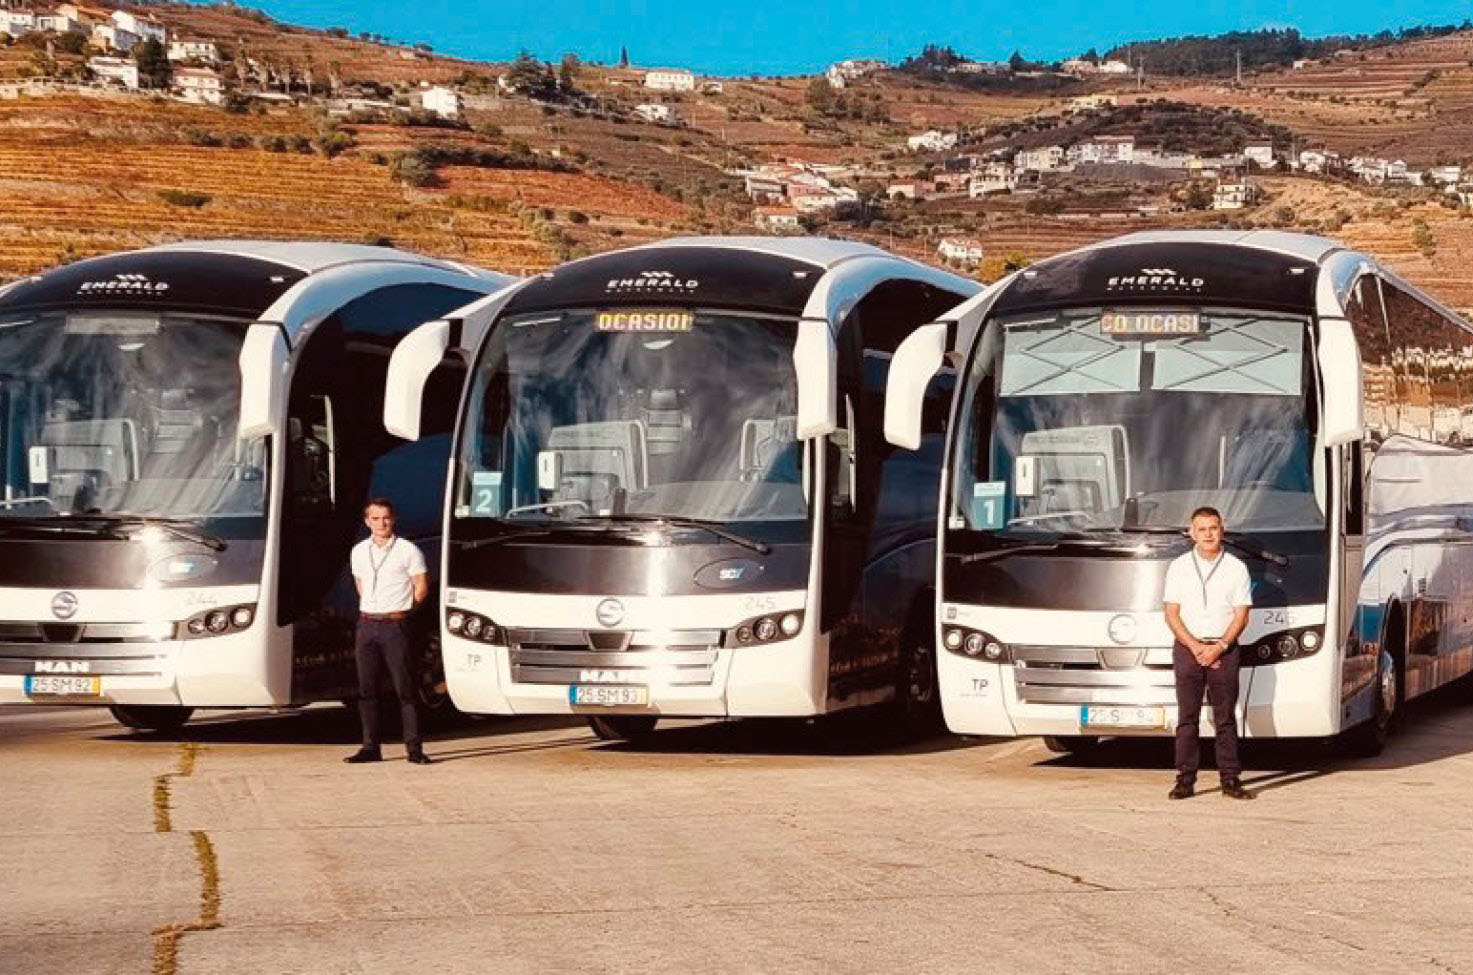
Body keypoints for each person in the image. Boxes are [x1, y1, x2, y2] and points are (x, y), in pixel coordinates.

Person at [1162, 506, 1254, 800]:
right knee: (1187, 718)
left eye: (1213, 528)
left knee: (1225, 718)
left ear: (1221, 530)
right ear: (1192, 533)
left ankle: (1230, 780)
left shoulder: (1236, 568)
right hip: (1189, 649)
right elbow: (1171, 613)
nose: (1208, 534)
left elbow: (1241, 615)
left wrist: (1219, 647)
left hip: (1224, 649)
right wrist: (1196, 646)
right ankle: (1185, 780)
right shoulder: (1178, 567)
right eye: (1201, 529)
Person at [344, 498, 432, 765]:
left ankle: (414, 749)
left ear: (393, 519)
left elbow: (421, 586)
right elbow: (360, 584)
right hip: (367, 625)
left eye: (386, 518)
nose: (381, 523)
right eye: (375, 518)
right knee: (367, 689)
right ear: (367, 521)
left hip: (396, 625)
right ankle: (371, 747)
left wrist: (403, 610)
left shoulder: (408, 550)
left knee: (405, 688)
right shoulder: (359, 551)